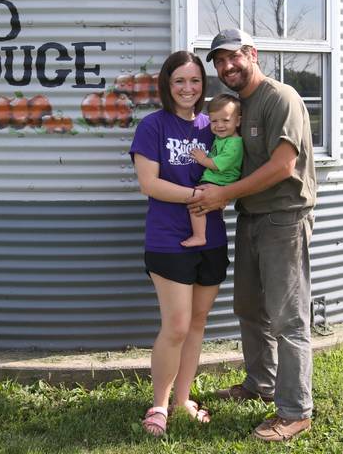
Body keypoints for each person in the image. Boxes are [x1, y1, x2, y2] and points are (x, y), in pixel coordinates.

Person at [188, 29, 317, 442]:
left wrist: (222, 194)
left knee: (288, 317)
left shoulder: (281, 98)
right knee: (249, 307)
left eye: (232, 57)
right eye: (219, 62)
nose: (226, 67)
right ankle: (260, 384)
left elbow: (282, 166)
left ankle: (295, 411)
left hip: (284, 218)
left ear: (251, 54)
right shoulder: (237, 107)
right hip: (250, 218)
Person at [129, 51, 230, 437]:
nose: (188, 89)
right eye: (179, 82)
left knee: (198, 323)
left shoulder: (213, 126)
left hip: (212, 239)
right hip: (168, 239)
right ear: (167, 86)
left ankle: (183, 399)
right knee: (176, 325)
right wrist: (197, 195)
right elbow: (149, 184)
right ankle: (159, 405)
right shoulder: (153, 126)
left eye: (195, 81)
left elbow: (230, 169)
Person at [181, 94, 243, 248]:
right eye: (214, 121)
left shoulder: (235, 144)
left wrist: (201, 158)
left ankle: (199, 236)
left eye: (225, 120)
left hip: (219, 181)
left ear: (238, 121)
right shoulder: (222, 138)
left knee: (196, 203)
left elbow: (217, 164)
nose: (219, 125)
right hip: (217, 180)